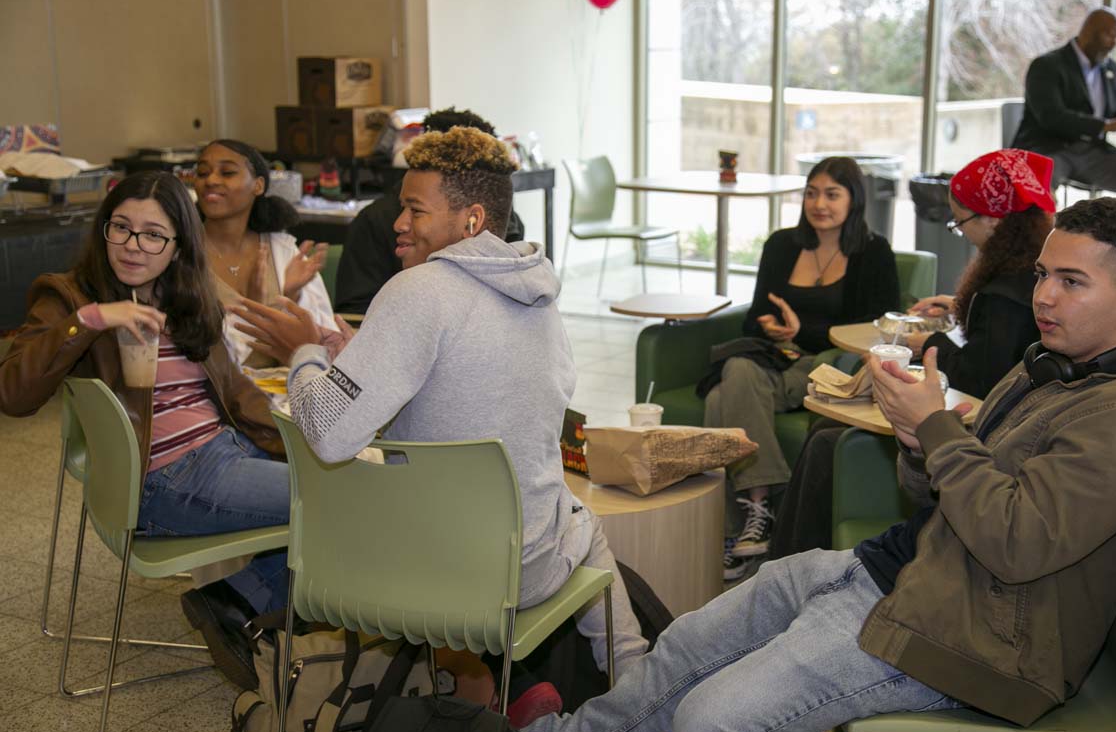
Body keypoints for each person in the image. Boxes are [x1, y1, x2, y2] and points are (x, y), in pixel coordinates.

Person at [520, 196, 1116, 732]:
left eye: (1071, 282)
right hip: (908, 575)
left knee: (713, 723)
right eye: (1044, 273)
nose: (1044, 296)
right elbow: (949, 494)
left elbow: (1016, 543)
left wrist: (935, 428)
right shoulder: (1054, 364)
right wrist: (915, 440)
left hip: (970, 642)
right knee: (690, 640)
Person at [232, 127, 648, 684]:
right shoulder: (540, 294)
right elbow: (473, 387)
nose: (398, 223)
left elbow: (328, 434)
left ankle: (448, 688)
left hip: (428, 571)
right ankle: (638, 683)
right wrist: (355, 357)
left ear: (471, 220)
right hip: (520, 566)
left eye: (414, 210)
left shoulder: (416, 291)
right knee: (579, 521)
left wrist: (302, 351)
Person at [0, 172, 293, 690]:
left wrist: (303, 434)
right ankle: (256, 613)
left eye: (153, 234)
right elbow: (14, 393)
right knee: (342, 501)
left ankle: (242, 601)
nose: (134, 246)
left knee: (339, 483)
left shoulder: (185, 295)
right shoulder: (69, 296)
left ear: (179, 244)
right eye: (121, 228)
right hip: (167, 480)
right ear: (103, 228)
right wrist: (90, 319)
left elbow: (236, 391)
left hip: (225, 451)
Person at [769, 148, 1056, 559]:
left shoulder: (1002, 294)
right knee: (823, 436)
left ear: (993, 218)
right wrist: (959, 308)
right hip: (993, 425)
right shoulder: (1025, 274)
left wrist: (928, 346)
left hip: (982, 439)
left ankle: (791, 560)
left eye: (961, 221)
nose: (961, 230)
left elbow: (979, 379)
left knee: (825, 441)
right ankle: (794, 558)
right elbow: (999, 347)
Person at [702, 156, 899, 576]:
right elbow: (753, 315)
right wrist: (772, 328)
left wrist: (801, 329)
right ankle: (759, 511)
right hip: (773, 359)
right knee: (736, 372)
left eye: (831, 194)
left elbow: (875, 328)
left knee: (724, 391)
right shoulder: (781, 245)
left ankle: (740, 526)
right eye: (811, 193)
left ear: (853, 199)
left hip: (830, 363)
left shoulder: (873, 252)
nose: (819, 203)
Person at [334, 107, 526, 315]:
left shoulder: (506, 228)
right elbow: (355, 312)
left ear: (473, 220)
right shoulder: (375, 222)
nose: (399, 224)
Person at [195, 139, 337, 365]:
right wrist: (260, 309)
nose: (211, 180)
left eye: (227, 172)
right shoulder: (181, 254)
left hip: (283, 393)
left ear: (258, 186)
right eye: (202, 173)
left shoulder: (283, 251)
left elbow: (326, 344)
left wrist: (290, 296)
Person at [1012, 6, 1116, 204]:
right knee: (1039, 186)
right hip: (1049, 148)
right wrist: (1105, 125)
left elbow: (1113, 111)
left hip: (1093, 152)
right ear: (1089, 32)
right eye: (1109, 35)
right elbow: (1051, 117)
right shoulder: (1047, 65)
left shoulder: (1113, 70)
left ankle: (1110, 232)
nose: (1114, 43)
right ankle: (1043, 233)